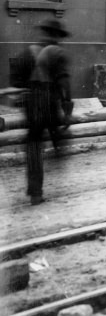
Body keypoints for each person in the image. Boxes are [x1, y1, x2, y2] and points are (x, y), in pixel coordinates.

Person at [11, 19, 73, 205]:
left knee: (34, 144)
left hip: (32, 104)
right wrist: (67, 106)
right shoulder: (57, 52)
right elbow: (64, 82)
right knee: (59, 134)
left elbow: (16, 81)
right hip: (48, 102)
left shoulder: (27, 52)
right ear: (56, 36)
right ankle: (58, 153)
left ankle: (35, 192)